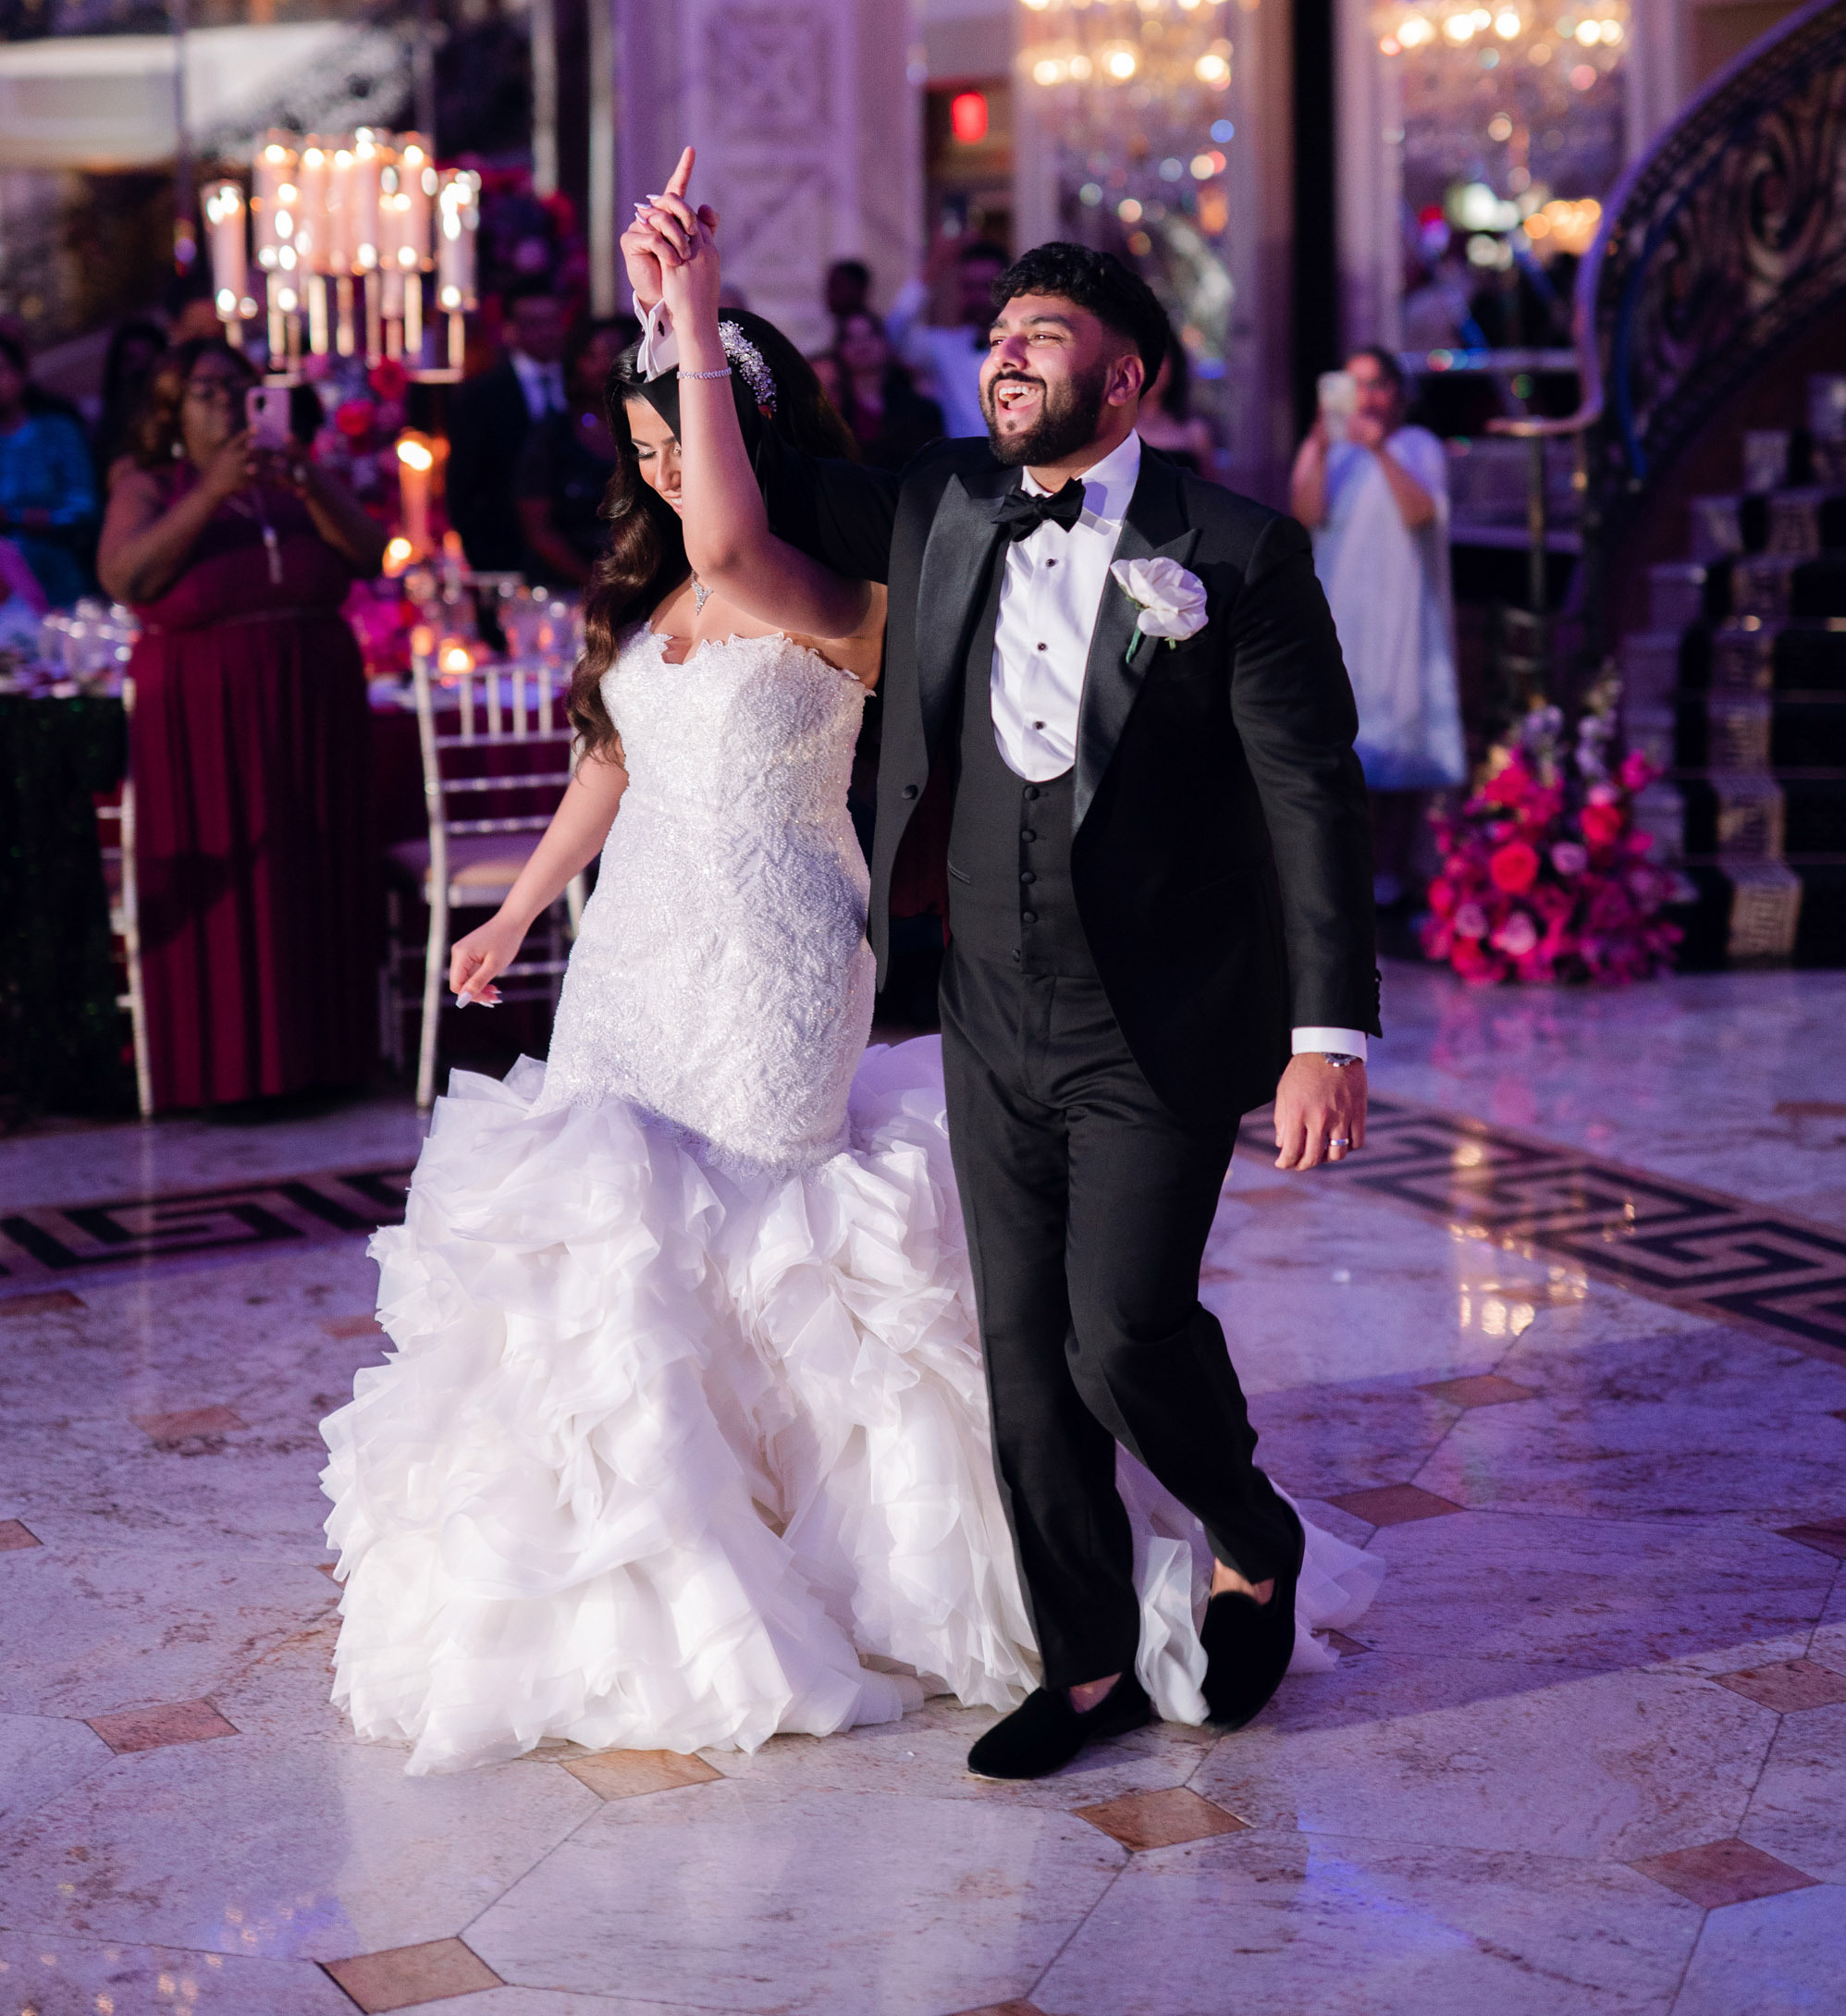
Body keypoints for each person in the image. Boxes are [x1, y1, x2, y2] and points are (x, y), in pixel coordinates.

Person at [318, 161, 1382, 1776]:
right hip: (958, 1002)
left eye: (1047, 333)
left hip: (1128, 1003)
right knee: (1025, 1363)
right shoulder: (942, 509)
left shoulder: (1219, 554)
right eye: (1001, 332)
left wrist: (1328, 1034)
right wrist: (674, 298)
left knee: (1119, 1332)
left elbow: (1310, 794)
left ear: (1131, 372)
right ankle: (1081, 1664)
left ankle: (1249, 1527)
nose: (1008, 354)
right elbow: (692, 591)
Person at [97, 339, 388, 1110]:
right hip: (205, 704)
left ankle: (326, 1058)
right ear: (170, 410)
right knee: (237, 876)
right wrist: (211, 491)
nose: (227, 403)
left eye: (239, 388)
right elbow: (128, 577)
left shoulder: (298, 481)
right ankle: (224, 1074)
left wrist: (309, 474)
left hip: (312, 691)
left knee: (311, 871)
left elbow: (367, 553)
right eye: (205, 391)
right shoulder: (150, 485)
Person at [1289, 345, 1466, 906]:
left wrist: (1380, 450)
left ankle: (1392, 873)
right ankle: (1345, 875)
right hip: (1343, 609)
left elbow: (1421, 513)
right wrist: (1318, 444)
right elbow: (1304, 516)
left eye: (1377, 384)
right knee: (1346, 742)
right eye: (1355, 384)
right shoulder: (1331, 453)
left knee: (1401, 734)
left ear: (1397, 393)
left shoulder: (1418, 446)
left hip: (1401, 609)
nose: (1365, 397)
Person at [446, 288, 568, 575]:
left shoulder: (586, 382)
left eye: (553, 322)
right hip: (506, 555)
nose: (548, 333)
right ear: (510, 330)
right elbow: (463, 486)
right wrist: (486, 561)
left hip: (578, 551)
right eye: (535, 324)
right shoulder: (481, 394)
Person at [513, 313, 634, 586]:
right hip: (567, 588)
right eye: (592, 355)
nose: (604, 365)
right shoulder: (552, 435)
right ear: (575, 364)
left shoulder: (649, 430)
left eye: (613, 353)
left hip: (642, 581)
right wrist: (593, 582)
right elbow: (538, 528)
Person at [0, 325, 98, 607]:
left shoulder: (57, 432)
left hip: (63, 588)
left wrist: (14, 517)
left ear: (21, 373)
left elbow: (83, 509)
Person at [887, 229, 1008, 439]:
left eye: (987, 287)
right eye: (969, 287)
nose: (978, 296)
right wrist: (933, 268)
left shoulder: (1032, 347)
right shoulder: (944, 347)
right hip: (965, 466)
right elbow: (893, 333)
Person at [831, 307, 944, 471]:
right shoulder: (834, 411)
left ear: (886, 343)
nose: (862, 346)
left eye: (870, 335)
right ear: (840, 349)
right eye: (851, 338)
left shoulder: (921, 411)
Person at [94, 315, 170, 496]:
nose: (141, 372)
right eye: (132, 360)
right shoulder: (110, 433)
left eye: (150, 361)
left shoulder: (180, 418)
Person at [1138, 336, 1216, 476]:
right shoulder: (1113, 430)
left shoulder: (1195, 431)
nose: (1152, 370)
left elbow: (1212, 492)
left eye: (1160, 359)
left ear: (1174, 365)